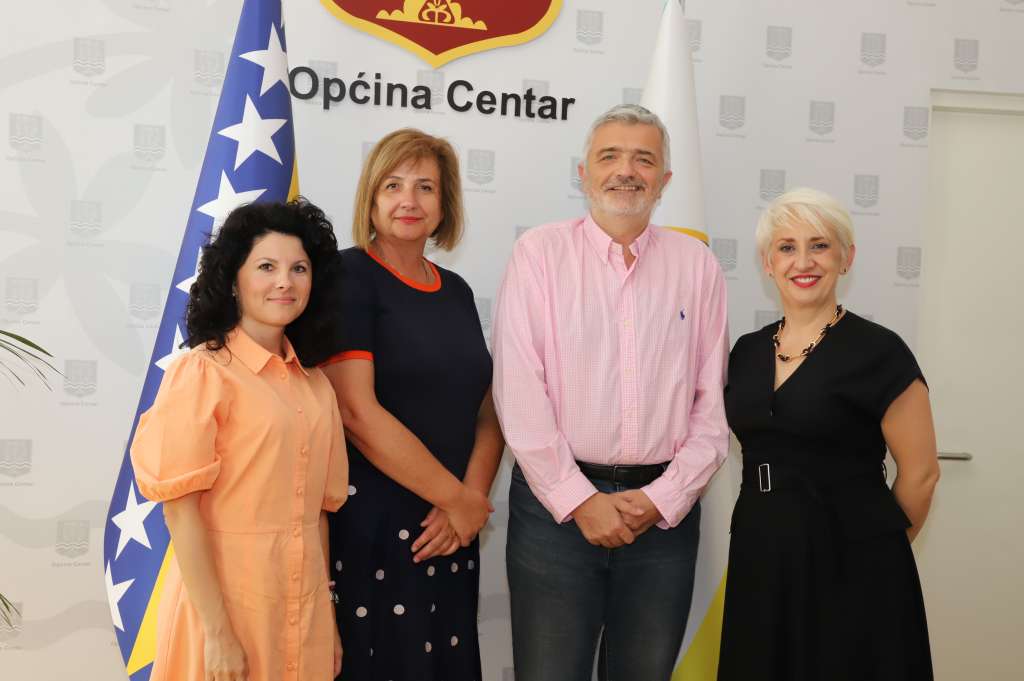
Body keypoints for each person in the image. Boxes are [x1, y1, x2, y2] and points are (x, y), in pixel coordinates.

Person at [492, 103, 730, 681]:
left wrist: (665, 497)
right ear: (584, 173)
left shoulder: (697, 266)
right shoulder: (539, 254)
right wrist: (579, 500)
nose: (626, 171)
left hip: (662, 517)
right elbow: (518, 393)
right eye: (610, 157)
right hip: (554, 514)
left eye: (643, 159)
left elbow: (712, 408)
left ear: (665, 180)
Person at [302, 128, 503, 681]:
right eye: (392, 185)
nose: (408, 200)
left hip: (450, 529)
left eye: (425, 187)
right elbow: (356, 413)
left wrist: (471, 500)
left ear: (445, 204)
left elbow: (489, 408)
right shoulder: (345, 277)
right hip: (375, 529)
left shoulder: (457, 290)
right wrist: (457, 500)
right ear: (370, 199)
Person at [717, 187, 939, 681]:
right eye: (787, 247)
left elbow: (922, 474)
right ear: (767, 263)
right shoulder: (745, 352)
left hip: (853, 562)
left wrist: (874, 551)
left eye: (819, 245)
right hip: (760, 554)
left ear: (846, 258)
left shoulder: (879, 351)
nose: (803, 261)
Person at [130, 198, 349, 681]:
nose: (284, 281)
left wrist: (327, 619)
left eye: (299, 268)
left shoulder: (317, 386)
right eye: (266, 267)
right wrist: (217, 633)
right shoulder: (202, 372)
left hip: (303, 615)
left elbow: (317, 514)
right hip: (225, 614)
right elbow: (180, 510)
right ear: (234, 279)